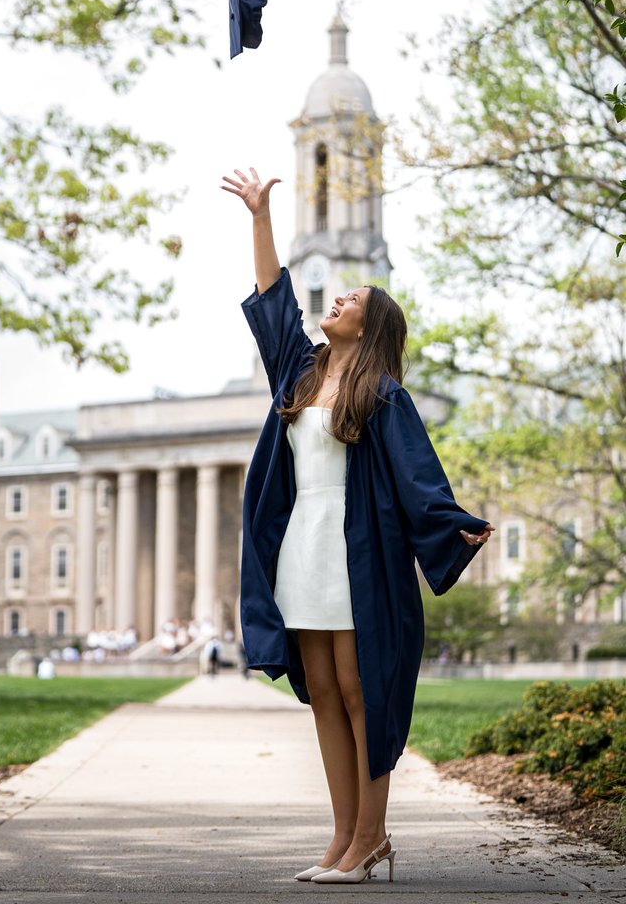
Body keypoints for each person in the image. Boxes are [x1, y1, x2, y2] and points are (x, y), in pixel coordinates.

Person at [221, 166, 495, 885]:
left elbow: (416, 474)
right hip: (302, 550)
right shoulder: (299, 374)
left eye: (353, 298)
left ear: (371, 325)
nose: (337, 298)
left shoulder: (381, 393)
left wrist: (450, 525)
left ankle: (373, 836)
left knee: (358, 690)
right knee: (320, 694)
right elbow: (273, 302)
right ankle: (342, 838)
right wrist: (258, 216)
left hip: (358, 551)